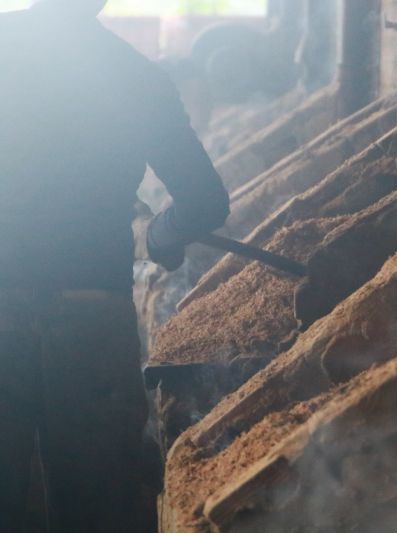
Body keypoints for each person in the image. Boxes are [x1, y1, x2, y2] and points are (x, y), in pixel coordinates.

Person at [0, 0, 230, 531]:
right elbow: (204, 201)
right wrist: (158, 235)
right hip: (89, 318)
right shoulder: (133, 73)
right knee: (97, 508)